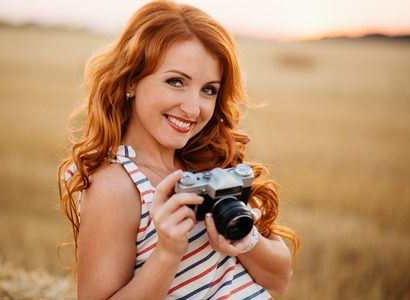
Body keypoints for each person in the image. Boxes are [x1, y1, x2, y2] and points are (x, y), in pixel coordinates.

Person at [58, 0, 300, 299]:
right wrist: (168, 253)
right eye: (176, 81)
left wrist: (245, 240)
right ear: (131, 80)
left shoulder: (210, 164)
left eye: (208, 89)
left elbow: (280, 279)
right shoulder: (117, 185)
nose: (193, 108)